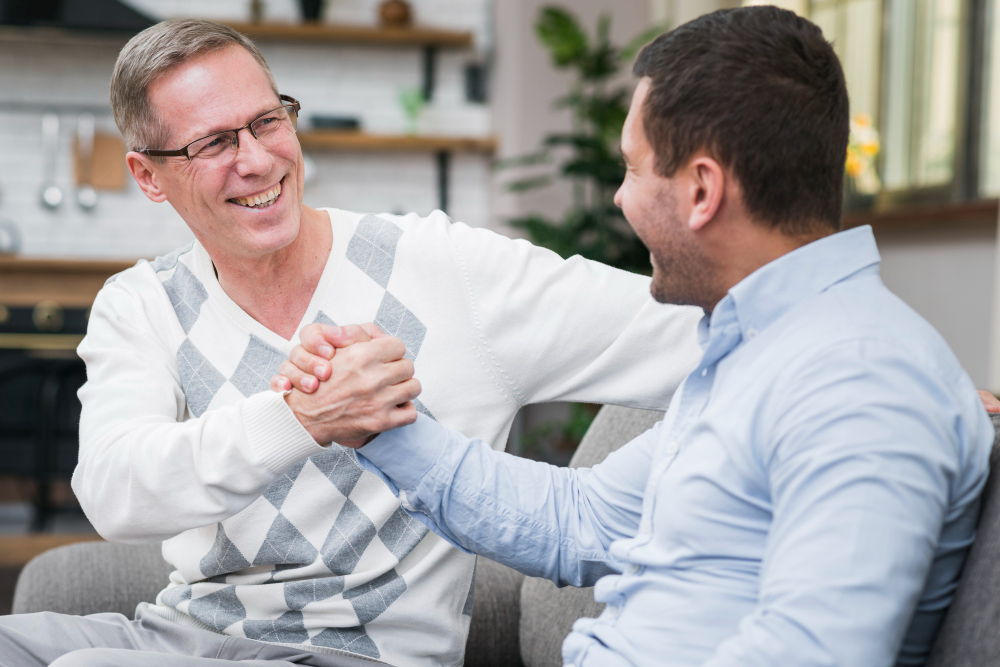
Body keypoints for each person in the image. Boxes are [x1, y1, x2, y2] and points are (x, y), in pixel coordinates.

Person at [288, 7, 993, 666]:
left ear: (701, 190)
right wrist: (378, 423)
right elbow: (578, 518)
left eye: (632, 166)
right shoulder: (758, 353)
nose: (621, 197)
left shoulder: (862, 382)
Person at [0, 17, 704, 667]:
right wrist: (302, 418)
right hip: (181, 638)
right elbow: (116, 492)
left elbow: (695, 334)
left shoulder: (445, 269)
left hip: (358, 654)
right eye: (214, 142)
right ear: (148, 176)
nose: (256, 159)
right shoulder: (143, 303)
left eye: (267, 121)